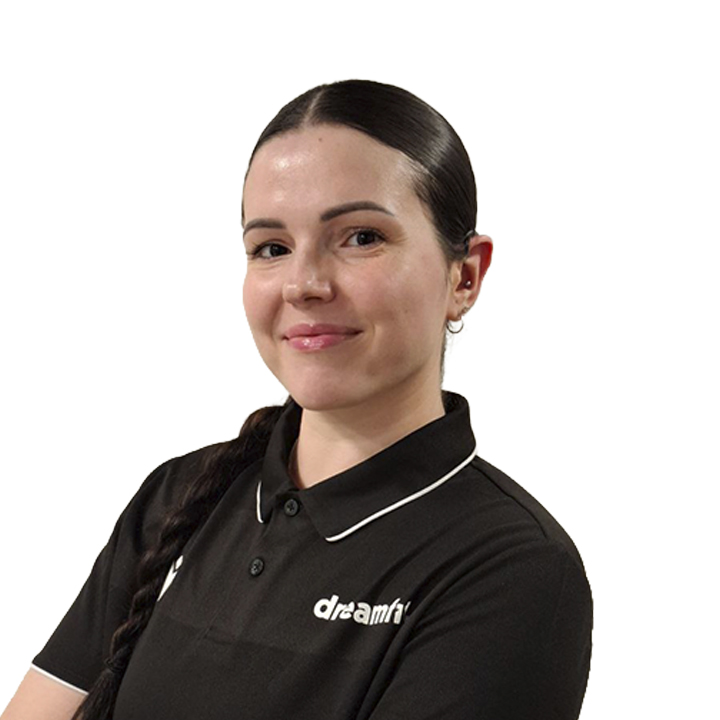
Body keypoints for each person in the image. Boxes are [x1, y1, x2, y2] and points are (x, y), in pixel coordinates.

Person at [2, 79, 592, 720]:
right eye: (272, 248)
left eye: (361, 237)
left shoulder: (510, 568)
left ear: (465, 276)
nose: (303, 284)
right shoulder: (178, 497)